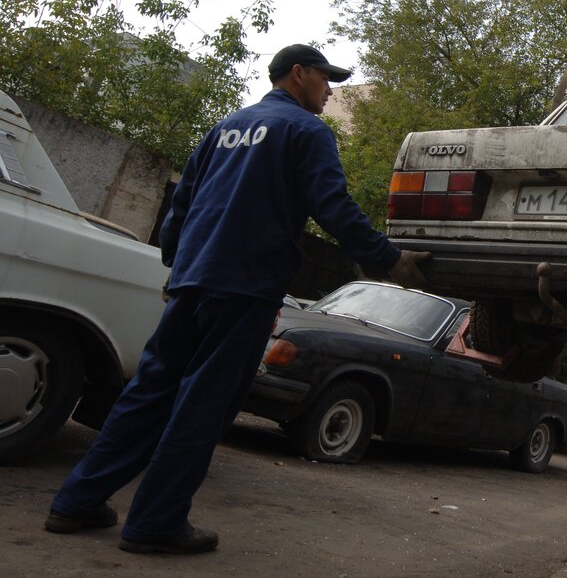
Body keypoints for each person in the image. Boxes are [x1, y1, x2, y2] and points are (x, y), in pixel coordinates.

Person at [44, 44, 429, 555]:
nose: (330, 90)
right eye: (325, 79)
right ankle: (154, 524)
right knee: (205, 402)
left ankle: (75, 502)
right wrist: (389, 258)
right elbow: (332, 205)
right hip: (245, 286)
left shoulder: (226, 126)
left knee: (149, 393)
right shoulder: (307, 131)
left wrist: (179, 266)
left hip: (193, 280)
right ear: (298, 75)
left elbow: (182, 202)